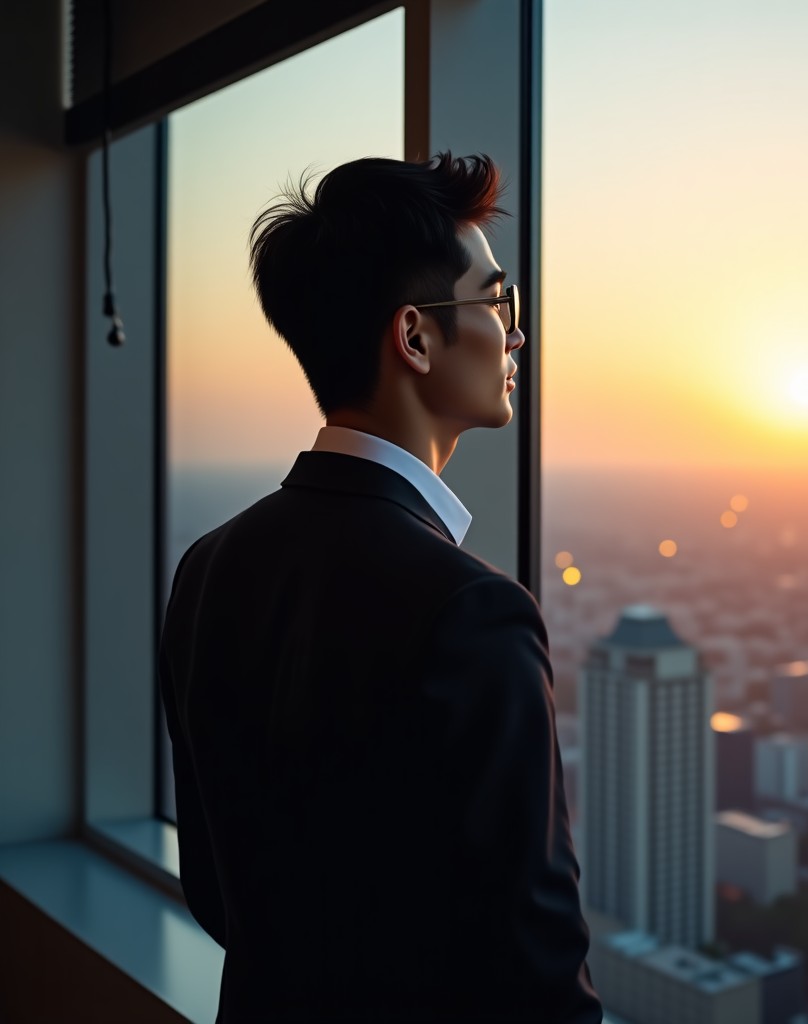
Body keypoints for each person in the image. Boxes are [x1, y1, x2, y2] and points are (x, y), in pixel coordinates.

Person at [159, 153, 602, 1023]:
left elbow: (217, 894)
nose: (516, 336)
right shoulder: (473, 613)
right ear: (415, 337)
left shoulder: (208, 567)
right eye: (499, 302)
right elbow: (538, 972)